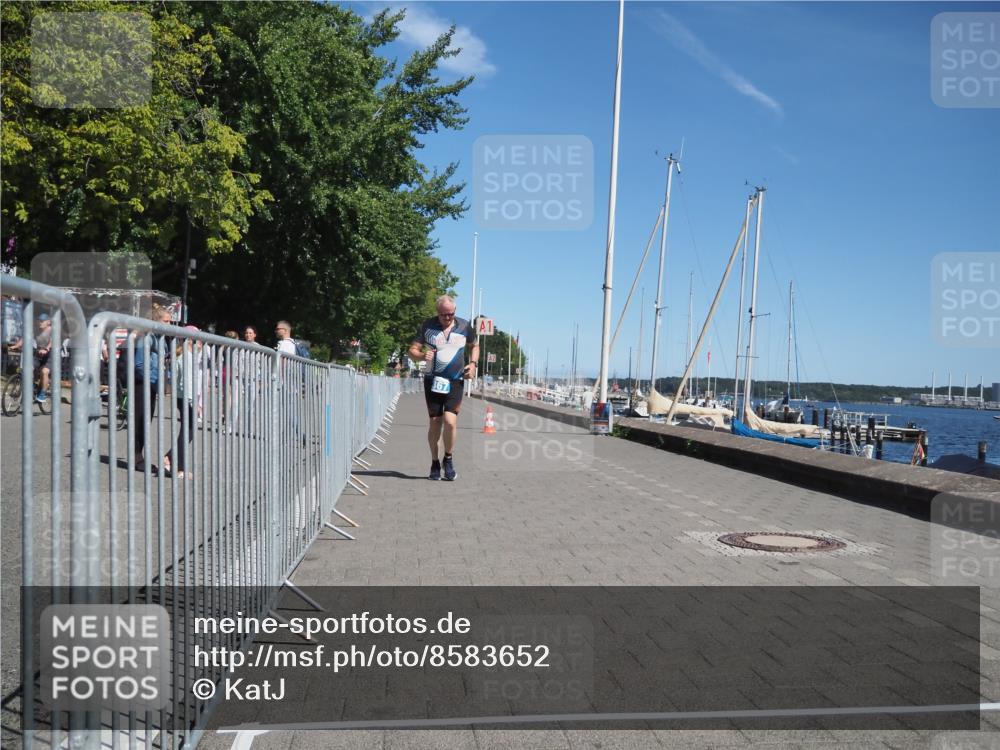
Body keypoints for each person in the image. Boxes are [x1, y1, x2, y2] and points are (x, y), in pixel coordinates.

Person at [408, 295, 478, 481]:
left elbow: (475, 346)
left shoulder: (464, 326)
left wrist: (473, 364)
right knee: (435, 422)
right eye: (444, 315)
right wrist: (422, 356)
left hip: (455, 380)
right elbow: (412, 350)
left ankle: (448, 459)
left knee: (450, 421)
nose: (448, 318)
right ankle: (434, 462)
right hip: (433, 380)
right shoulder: (427, 326)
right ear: (437, 312)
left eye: (451, 314)